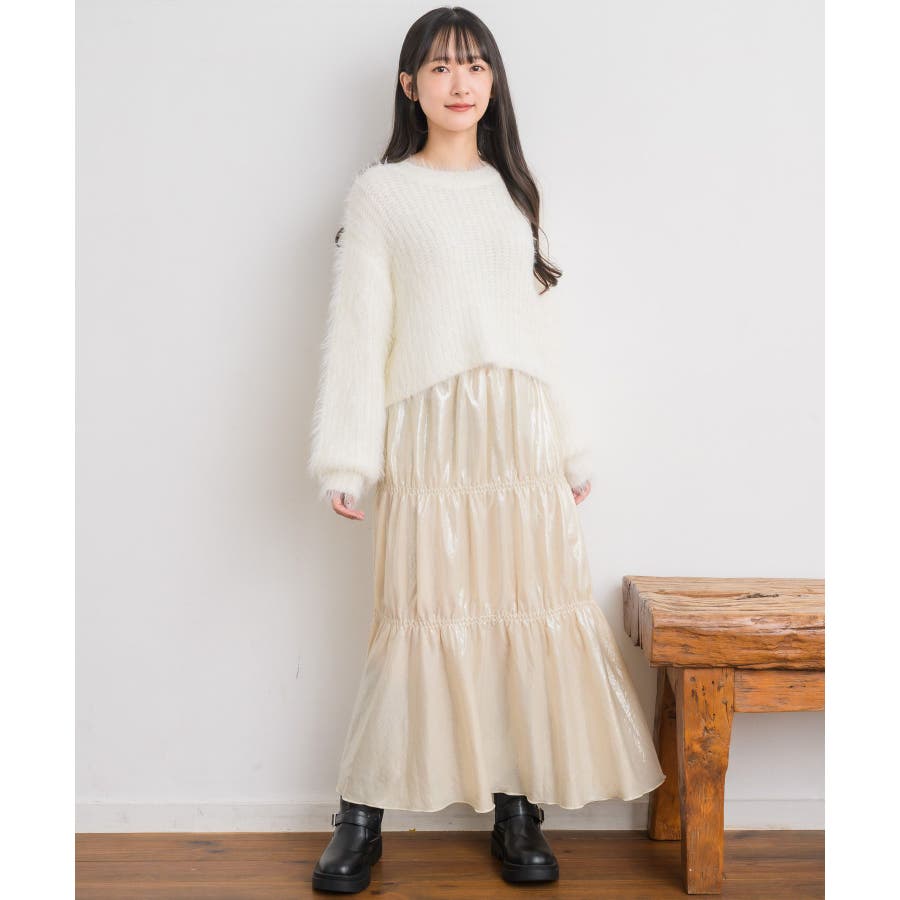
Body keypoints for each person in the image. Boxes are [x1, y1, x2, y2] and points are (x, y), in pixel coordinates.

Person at [307, 7, 665, 893]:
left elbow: (540, 333)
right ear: (409, 86)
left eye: (473, 65)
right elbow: (359, 330)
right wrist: (348, 457)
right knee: (417, 616)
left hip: (518, 434)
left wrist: (568, 448)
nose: (458, 82)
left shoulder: (512, 193)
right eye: (439, 67)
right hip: (431, 431)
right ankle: (360, 816)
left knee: (520, 614)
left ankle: (517, 809)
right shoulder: (381, 193)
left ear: (493, 81)